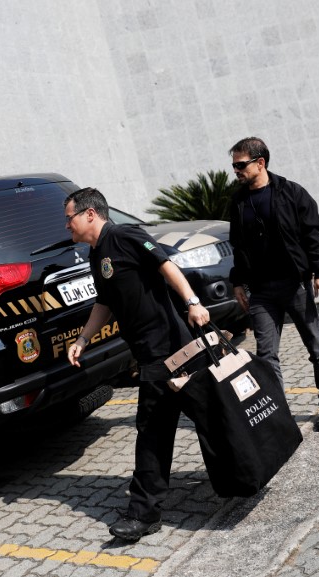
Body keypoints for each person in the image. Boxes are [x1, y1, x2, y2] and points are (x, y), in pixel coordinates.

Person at [64, 187, 209, 541]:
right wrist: (83, 339)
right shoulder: (96, 253)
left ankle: (144, 512)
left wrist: (193, 302)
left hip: (170, 348)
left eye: (69, 218)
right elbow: (105, 301)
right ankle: (242, 466)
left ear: (90, 214)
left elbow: (166, 264)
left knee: (155, 429)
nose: (66, 225)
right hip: (149, 353)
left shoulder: (125, 235)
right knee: (185, 420)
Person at [227, 137, 319, 431]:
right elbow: (237, 245)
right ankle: (280, 414)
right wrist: (238, 282)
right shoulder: (238, 202)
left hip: (295, 285)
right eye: (234, 166)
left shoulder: (292, 193)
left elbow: (312, 235)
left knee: (316, 347)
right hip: (262, 291)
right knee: (266, 356)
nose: (236, 171)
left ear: (260, 162)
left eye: (241, 165)